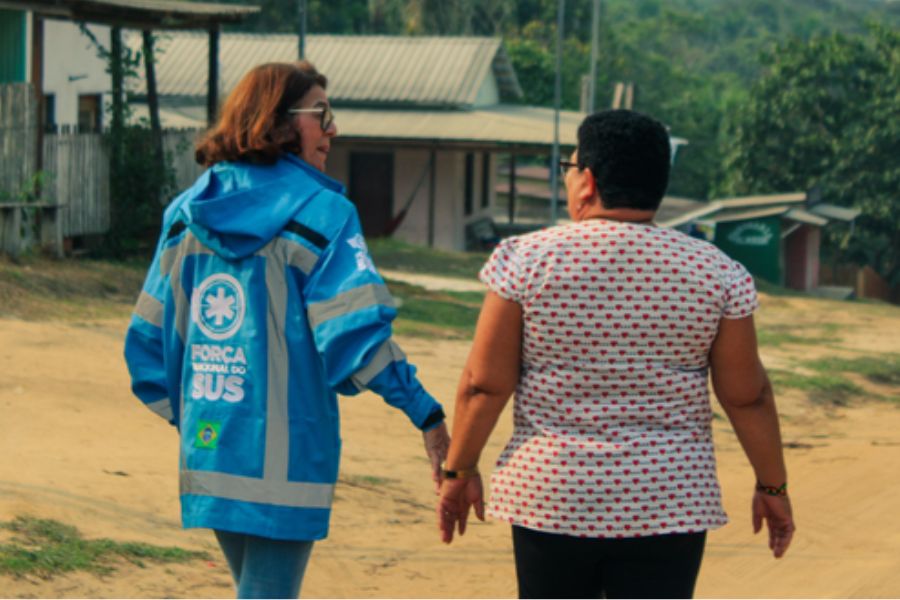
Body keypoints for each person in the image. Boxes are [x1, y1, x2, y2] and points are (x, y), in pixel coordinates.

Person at [124, 61, 449, 599]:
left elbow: (146, 346)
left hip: (211, 447)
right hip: (287, 455)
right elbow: (355, 339)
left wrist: (202, 419)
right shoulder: (324, 213)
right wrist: (427, 413)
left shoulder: (184, 214)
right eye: (321, 114)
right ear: (276, 120)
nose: (332, 130)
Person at [437, 109, 795, 599]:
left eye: (569, 167)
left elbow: (484, 384)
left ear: (587, 181)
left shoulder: (526, 260)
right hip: (669, 503)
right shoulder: (718, 273)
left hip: (553, 497)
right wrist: (772, 487)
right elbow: (746, 396)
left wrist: (458, 471)